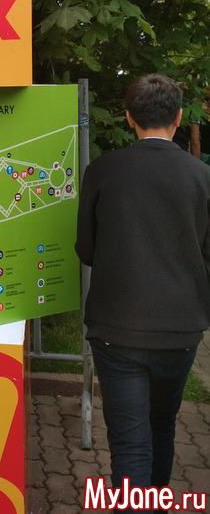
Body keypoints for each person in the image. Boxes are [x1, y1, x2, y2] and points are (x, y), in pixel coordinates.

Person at [76, 74, 210, 491]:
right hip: (180, 330)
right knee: (162, 427)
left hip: (116, 329)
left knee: (130, 445)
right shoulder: (202, 176)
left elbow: (86, 249)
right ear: (179, 117)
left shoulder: (103, 170)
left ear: (129, 117)